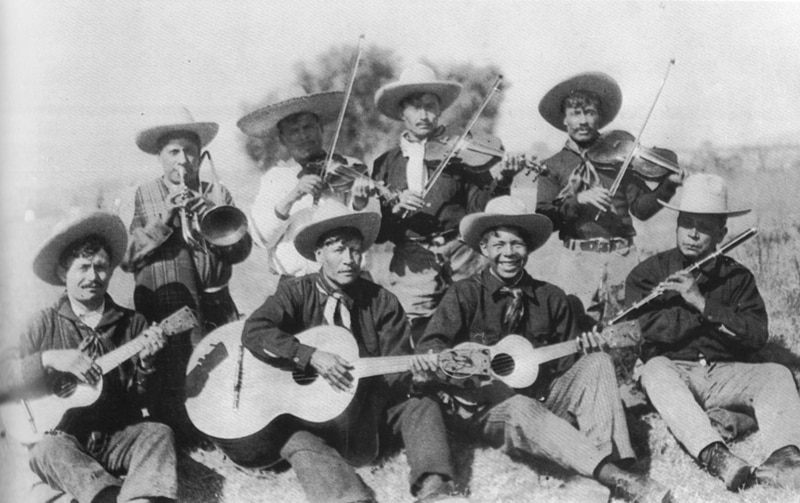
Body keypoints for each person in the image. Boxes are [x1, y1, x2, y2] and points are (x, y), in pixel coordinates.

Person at [414, 196, 674, 503]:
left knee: (598, 361)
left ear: (529, 248)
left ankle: (611, 461)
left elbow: (568, 369)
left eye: (517, 244)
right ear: (484, 249)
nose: (508, 253)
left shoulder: (551, 297)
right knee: (522, 407)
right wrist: (454, 369)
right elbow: (432, 345)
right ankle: (621, 479)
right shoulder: (464, 294)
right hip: (490, 409)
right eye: (498, 245)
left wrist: (585, 351)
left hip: (544, 401)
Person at [241, 200, 464, 503]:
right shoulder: (295, 292)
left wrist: (418, 379)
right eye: (338, 250)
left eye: (356, 250)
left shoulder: (383, 302)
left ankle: (435, 490)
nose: (349, 259)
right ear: (319, 254)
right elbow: (255, 331)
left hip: (367, 415)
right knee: (295, 438)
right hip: (314, 419)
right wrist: (309, 355)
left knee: (422, 404)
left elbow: (395, 375)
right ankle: (349, 497)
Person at [625, 173, 800, 492]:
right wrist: (701, 316)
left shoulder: (738, 277)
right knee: (653, 370)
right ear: (676, 223)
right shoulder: (647, 274)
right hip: (675, 370)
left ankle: (785, 462)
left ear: (722, 232)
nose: (692, 234)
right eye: (686, 223)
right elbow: (646, 331)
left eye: (704, 227)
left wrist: (703, 304)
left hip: (725, 372)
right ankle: (717, 456)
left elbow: (757, 335)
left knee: (776, 374)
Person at [0, 211, 176, 503]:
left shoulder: (133, 325)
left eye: (101, 267)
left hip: (115, 436)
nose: (93, 277)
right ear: (62, 273)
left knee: (159, 434)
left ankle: (139, 497)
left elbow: (143, 401)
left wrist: (146, 364)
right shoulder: (43, 324)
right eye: (82, 268)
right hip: (62, 442)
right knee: (46, 450)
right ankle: (105, 495)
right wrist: (48, 359)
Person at [121, 105, 249, 440]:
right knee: (175, 387)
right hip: (168, 307)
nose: (182, 160)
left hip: (217, 303)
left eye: (189, 152)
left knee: (221, 374)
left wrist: (211, 215)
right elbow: (130, 257)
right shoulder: (144, 194)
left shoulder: (217, 193)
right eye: (173, 152)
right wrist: (165, 217)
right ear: (160, 157)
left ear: (200, 155)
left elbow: (240, 251)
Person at [370, 63, 519, 336]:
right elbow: (379, 233)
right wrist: (395, 209)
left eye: (430, 105)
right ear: (401, 112)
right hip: (413, 261)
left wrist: (504, 180)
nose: (424, 114)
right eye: (415, 107)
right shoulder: (385, 164)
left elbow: (480, 208)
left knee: (475, 328)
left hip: (463, 254)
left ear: (440, 110)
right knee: (415, 333)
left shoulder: (461, 154)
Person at [535, 71, 681, 323]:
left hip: (622, 258)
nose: (583, 121)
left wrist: (668, 185)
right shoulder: (553, 165)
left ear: (599, 117)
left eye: (589, 112)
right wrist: (579, 200)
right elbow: (545, 218)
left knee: (628, 326)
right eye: (575, 113)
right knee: (578, 327)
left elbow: (642, 210)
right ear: (564, 120)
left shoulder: (619, 159)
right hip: (578, 260)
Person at [240, 87, 380, 281]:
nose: (303, 136)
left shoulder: (351, 167)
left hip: (350, 279)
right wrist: (291, 197)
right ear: (282, 138)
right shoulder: (274, 179)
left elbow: (371, 228)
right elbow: (262, 239)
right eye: (294, 131)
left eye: (308, 127)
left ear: (320, 129)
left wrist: (359, 204)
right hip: (298, 284)